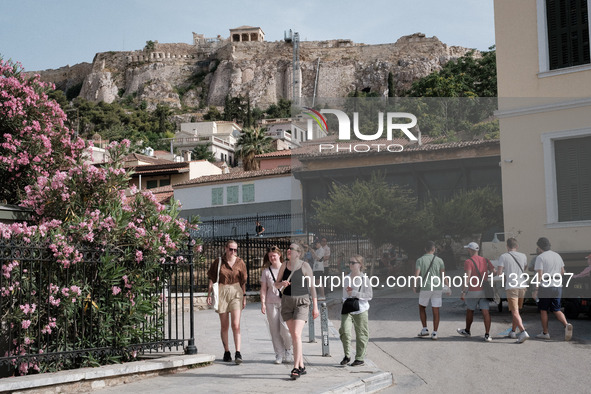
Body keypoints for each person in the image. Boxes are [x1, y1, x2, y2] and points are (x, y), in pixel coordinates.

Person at [275, 243, 319, 380]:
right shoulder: (284, 265)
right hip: (287, 302)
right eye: (288, 248)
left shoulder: (305, 266)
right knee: (294, 336)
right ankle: (301, 365)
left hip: (302, 302)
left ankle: (295, 368)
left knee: (295, 333)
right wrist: (281, 284)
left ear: (298, 253)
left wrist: (315, 306)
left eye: (291, 249)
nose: (288, 250)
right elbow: (276, 284)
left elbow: (312, 287)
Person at [207, 240, 247, 364]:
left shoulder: (240, 262)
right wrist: (209, 294)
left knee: (236, 324)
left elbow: (243, 281)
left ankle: (238, 352)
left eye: (235, 250)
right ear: (225, 248)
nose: (233, 252)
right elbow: (212, 278)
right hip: (222, 291)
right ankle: (227, 351)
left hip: (236, 291)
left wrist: (244, 296)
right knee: (224, 325)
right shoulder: (218, 262)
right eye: (231, 249)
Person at [532, 237, 573, 341]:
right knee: (556, 309)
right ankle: (566, 325)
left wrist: (536, 290)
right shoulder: (557, 255)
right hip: (557, 286)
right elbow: (562, 271)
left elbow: (539, 274)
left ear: (539, 247)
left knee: (543, 310)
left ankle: (545, 333)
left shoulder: (540, 257)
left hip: (545, 286)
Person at [260, 246, 293, 364]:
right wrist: (263, 303)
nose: (272, 258)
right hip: (271, 302)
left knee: (285, 329)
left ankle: (288, 349)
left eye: (274, 255)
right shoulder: (266, 271)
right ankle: (279, 353)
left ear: (279, 255)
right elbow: (263, 289)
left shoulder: (286, 268)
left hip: (285, 302)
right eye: (270, 256)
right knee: (274, 330)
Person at [457, 242, 496, 342]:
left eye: (468, 249)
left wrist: (463, 291)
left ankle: (467, 330)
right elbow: (494, 271)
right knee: (485, 312)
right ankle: (487, 334)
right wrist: (488, 276)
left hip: (474, 290)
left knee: (470, 310)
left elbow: (467, 277)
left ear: (470, 250)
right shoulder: (485, 260)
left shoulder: (468, 262)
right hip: (484, 290)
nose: (467, 251)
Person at [339, 254, 373, 366]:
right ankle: (347, 355)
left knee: (361, 334)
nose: (350, 264)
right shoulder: (346, 278)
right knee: (344, 330)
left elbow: (369, 295)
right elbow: (344, 293)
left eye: (353, 262)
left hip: (361, 308)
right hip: (348, 307)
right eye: (350, 262)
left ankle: (359, 358)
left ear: (360, 265)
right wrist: (345, 300)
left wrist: (354, 293)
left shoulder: (364, 279)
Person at [496, 237, 530, 343]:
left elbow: (499, 273)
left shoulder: (503, 256)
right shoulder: (523, 255)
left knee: (515, 311)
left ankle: (523, 332)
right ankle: (513, 331)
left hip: (512, 287)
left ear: (507, 246)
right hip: (522, 286)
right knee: (517, 311)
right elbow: (525, 268)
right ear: (517, 246)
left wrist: (506, 271)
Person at [414, 241, 448, 340]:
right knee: (436, 309)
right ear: (434, 249)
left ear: (425, 249)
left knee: (422, 307)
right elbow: (443, 275)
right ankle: (435, 332)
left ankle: (424, 329)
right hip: (437, 287)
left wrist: (414, 285)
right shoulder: (439, 260)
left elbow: (417, 275)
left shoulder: (420, 260)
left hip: (425, 287)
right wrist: (448, 286)